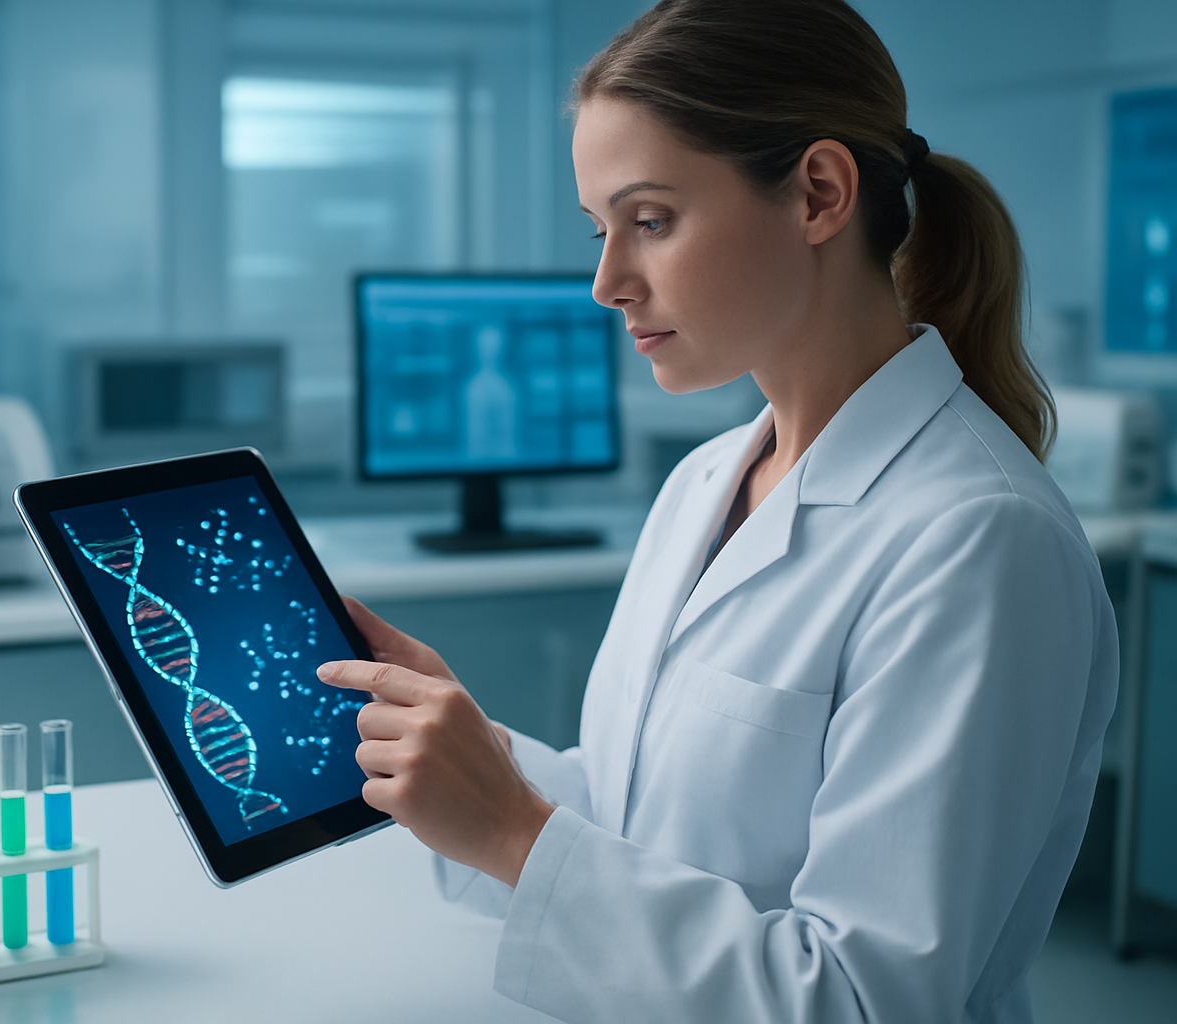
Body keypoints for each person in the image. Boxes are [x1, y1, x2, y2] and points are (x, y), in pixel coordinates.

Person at [317, 0, 1118, 1021]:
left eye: (650, 221)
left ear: (820, 193)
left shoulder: (978, 540)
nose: (606, 282)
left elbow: (867, 999)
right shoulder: (706, 481)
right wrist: (477, 759)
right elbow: (641, 822)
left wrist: (515, 830)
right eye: (600, 230)